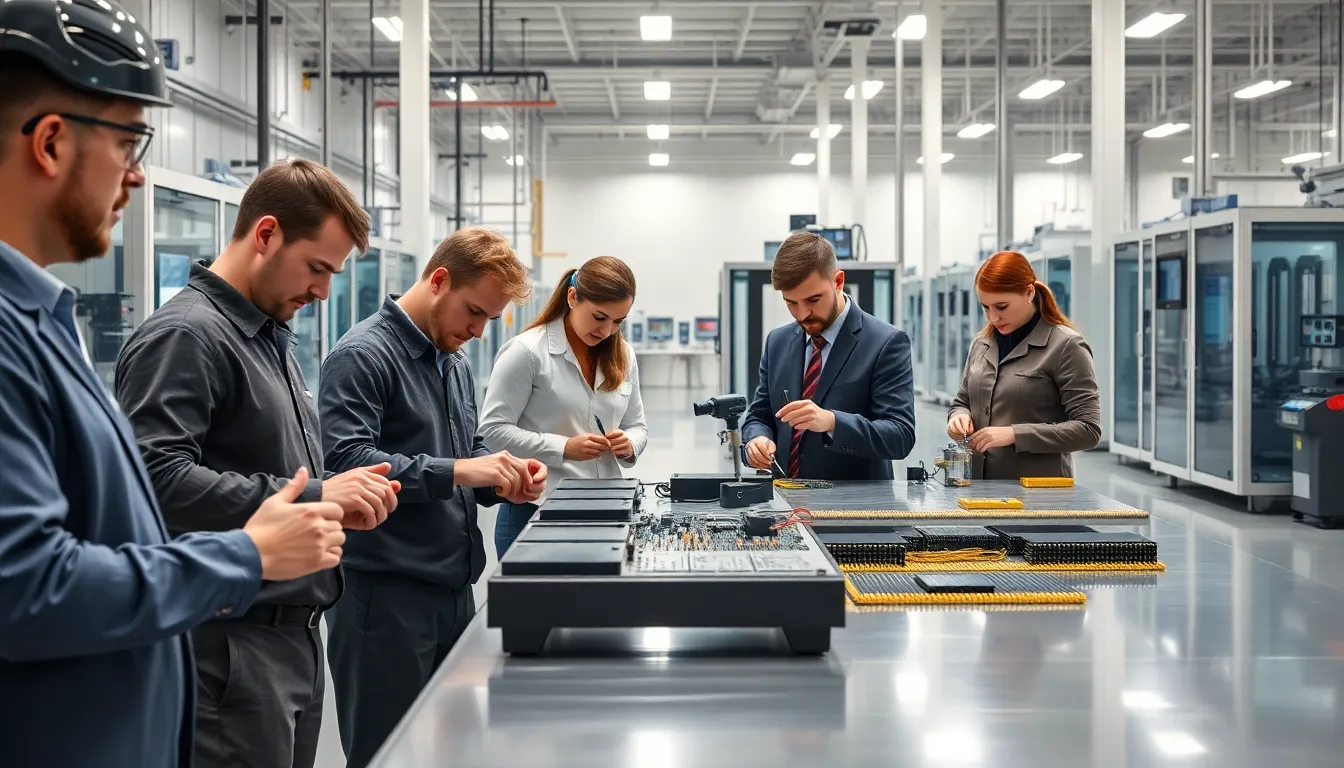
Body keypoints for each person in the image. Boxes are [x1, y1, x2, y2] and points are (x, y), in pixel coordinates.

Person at [0, 2, 348, 766]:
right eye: (128, 142)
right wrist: (248, 554)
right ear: (52, 141)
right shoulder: (30, 338)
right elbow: (26, 585)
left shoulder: (43, 320)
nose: (137, 174)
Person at [114, 158, 400, 768]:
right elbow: (152, 477)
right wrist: (317, 498)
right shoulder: (187, 336)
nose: (324, 290)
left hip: (292, 637)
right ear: (265, 234)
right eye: (317, 267)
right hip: (229, 649)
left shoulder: (268, 337)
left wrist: (334, 498)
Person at [318, 227, 547, 768]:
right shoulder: (361, 356)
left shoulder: (453, 360)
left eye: (488, 320)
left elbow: (461, 452)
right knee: (386, 751)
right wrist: (462, 469)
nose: (476, 329)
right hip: (385, 596)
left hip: (452, 588)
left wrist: (501, 478)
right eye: (472, 312)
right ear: (438, 280)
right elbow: (346, 464)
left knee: (450, 750)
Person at [480, 255, 649, 556]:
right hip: (534, 509)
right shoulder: (527, 352)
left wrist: (630, 443)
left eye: (618, 321)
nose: (607, 330)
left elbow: (637, 425)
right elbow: (492, 432)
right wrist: (563, 448)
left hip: (607, 508)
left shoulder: (623, 354)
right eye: (599, 317)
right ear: (573, 297)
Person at [743, 231, 916, 480]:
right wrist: (756, 440)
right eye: (791, 302)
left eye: (813, 299)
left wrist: (832, 422)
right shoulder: (777, 342)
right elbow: (759, 415)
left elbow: (900, 436)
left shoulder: (885, 343)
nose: (802, 314)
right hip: (783, 506)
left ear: (838, 281)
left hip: (851, 512)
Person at [946, 250, 1101, 479]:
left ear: (1029, 293)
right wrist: (957, 416)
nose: (993, 317)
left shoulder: (1066, 346)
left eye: (1001, 306)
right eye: (985, 307)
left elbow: (1088, 430)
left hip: (1037, 493)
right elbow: (963, 400)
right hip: (977, 488)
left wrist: (1015, 434)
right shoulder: (982, 343)